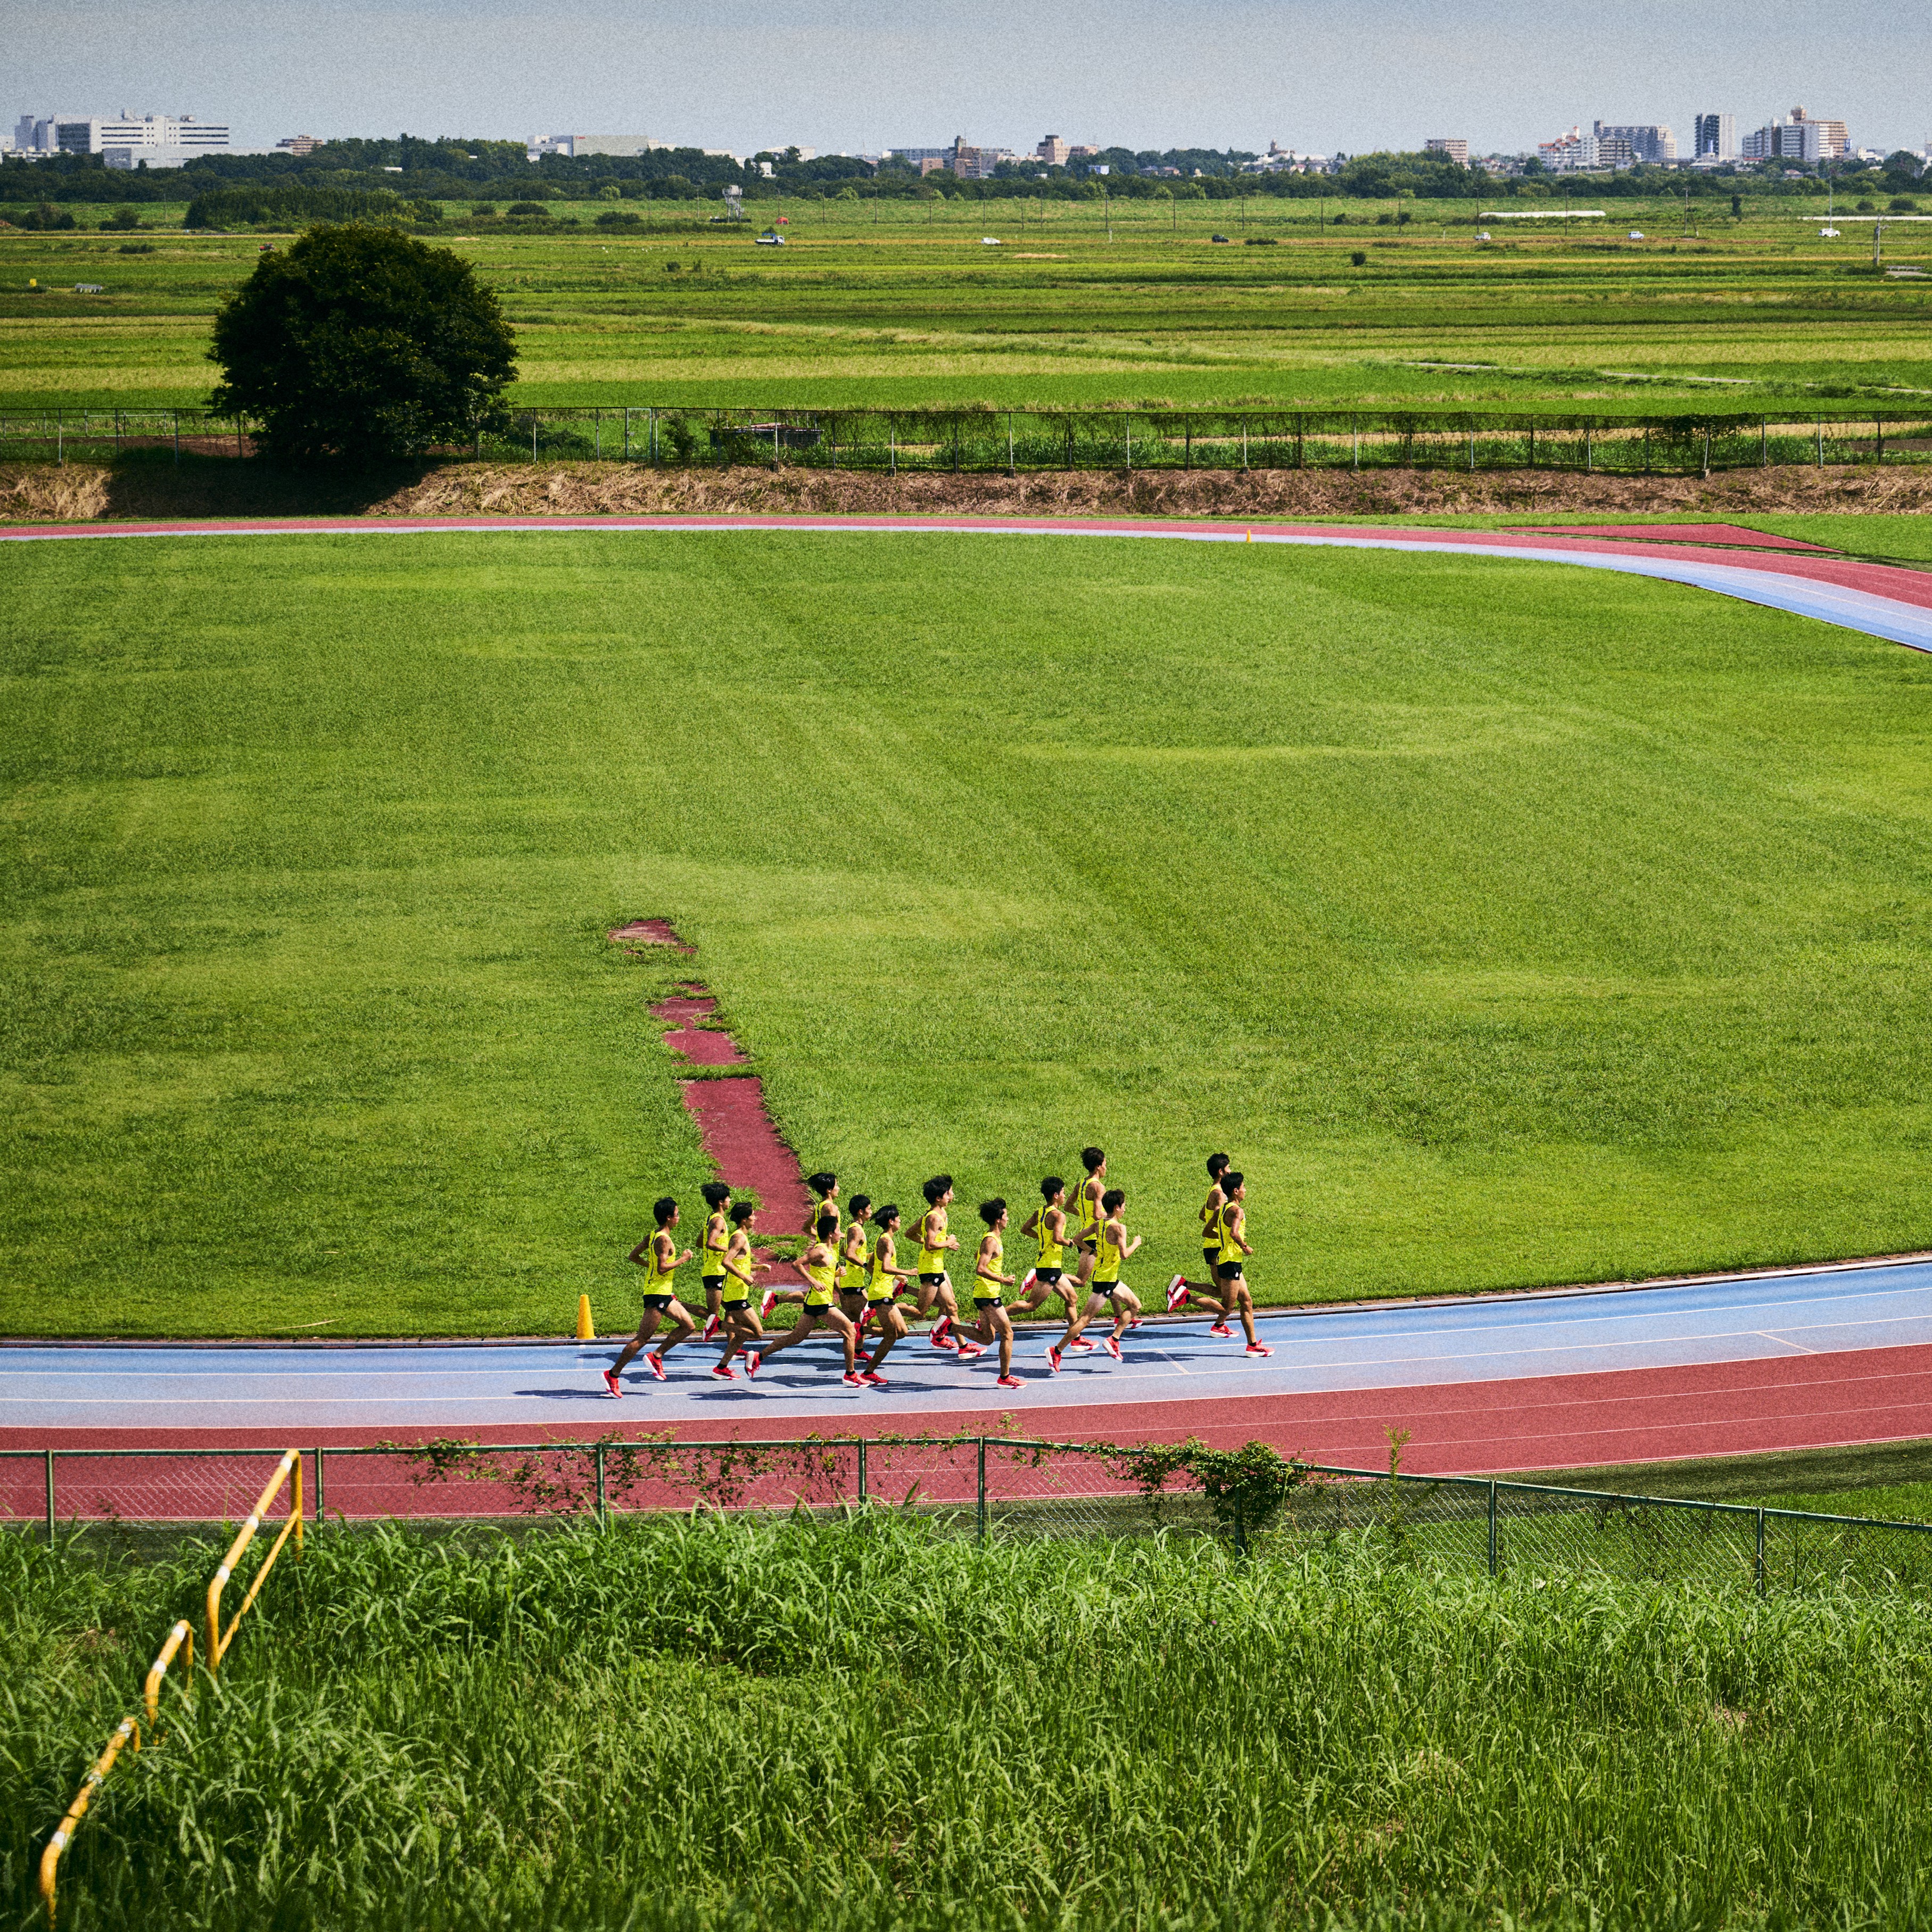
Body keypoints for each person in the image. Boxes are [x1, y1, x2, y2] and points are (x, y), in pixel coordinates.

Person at [751, 1211, 865, 1383]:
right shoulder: (819, 1251)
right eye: (838, 1230)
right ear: (830, 1233)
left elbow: (824, 1272)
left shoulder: (831, 1251)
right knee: (850, 1331)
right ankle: (850, 1375)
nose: (841, 1234)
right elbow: (796, 1264)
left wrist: (837, 1273)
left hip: (815, 1301)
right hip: (821, 1302)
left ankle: (758, 1357)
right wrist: (812, 1281)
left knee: (796, 1337)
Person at [604, 1198, 698, 1394]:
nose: (679, 1218)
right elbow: (663, 1268)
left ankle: (657, 1356)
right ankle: (613, 1375)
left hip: (662, 1292)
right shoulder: (664, 1239)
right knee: (642, 1338)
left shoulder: (653, 1235)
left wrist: (652, 1269)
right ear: (669, 1218)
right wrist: (684, 1259)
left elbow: (634, 1256)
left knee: (689, 1326)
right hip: (657, 1294)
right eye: (677, 1214)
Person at [1047, 1187, 1141, 1370]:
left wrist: (1094, 1252)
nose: (1125, 1209)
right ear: (1116, 1207)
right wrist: (1135, 1244)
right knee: (1084, 1320)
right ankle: (1056, 1351)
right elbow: (1124, 1255)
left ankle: (1114, 1339)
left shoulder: (1100, 1224)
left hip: (1106, 1278)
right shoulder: (1120, 1228)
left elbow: (1078, 1239)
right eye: (1124, 1206)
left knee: (1135, 1306)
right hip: (1105, 1280)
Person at [1007, 1177, 1092, 1342]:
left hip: (1048, 1265)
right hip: (1049, 1266)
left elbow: (1025, 1229)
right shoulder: (1059, 1215)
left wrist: (1043, 1239)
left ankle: (1076, 1338)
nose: (1064, 1195)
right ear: (1055, 1195)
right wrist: (1070, 1243)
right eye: (1063, 1193)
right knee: (1032, 1305)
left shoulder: (1040, 1212)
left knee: (1072, 1299)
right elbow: (1058, 1238)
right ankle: (993, 1317)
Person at [913, 1175, 980, 1357]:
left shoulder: (938, 1214)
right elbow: (930, 1244)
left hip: (937, 1265)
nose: (951, 1196)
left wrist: (943, 1243)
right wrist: (948, 1242)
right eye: (948, 1193)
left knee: (951, 1306)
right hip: (930, 1267)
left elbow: (911, 1234)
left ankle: (960, 1345)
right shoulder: (934, 1218)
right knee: (921, 1312)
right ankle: (883, 1305)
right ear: (938, 1198)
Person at [764, 1171, 839, 1317]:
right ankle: (852, 1326)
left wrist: (819, 1236)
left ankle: (776, 1299)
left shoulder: (819, 1206)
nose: (839, 1188)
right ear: (829, 1190)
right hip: (827, 1253)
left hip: (825, 1250)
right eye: (837, 1185)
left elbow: (806, 1227)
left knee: (822, 1291)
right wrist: (838, 1238)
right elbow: (831, 1229)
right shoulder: (831, 1208)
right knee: (839, 1290)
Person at [856, 1202, 915, 1386]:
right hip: (882, 1294)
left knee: (902, 1332)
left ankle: (861, 1330)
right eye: (898, 1219)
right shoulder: (887, 1241)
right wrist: (906, 1272)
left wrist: (892, 1275)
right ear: (891, 1222)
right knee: (892, 1335)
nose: (901, 1221)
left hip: (881, 1291)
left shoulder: (882, 1239)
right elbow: (885, 1267)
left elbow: (874, 1266)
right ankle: (868, 1373)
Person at [1168, 1153, 1232, 1320]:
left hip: (1214, 1246)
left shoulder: (1214, 1190)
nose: (1231, 1171)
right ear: (1220, 1171)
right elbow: (1216, 1220)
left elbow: (1203, 1214)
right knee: (1227, 1298)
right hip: (1217, 1247)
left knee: (1221, 1292)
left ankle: (1184, 1285)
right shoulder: (1219, 1194)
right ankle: (1186, 1296)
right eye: (1228, 1168)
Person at [967, 1199, 1025, 1388]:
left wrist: (996, 1273)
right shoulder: (991, 1240)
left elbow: (985, 1263)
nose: (1008, 1219)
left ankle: (950, 1327)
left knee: (987, 1338)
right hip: (987, 1295)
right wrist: (1003, 1280)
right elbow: (980, 1268)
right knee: (1008, 1334)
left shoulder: (994, 1239)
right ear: (998, 1220)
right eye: (1006, 1215)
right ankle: (1005, 1377)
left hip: (986, 1292)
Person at [1215, 1172, 1272, 1357]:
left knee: (1247, 1302)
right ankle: (1187, 1296)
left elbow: (1212, 1230)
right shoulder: (1237, 1210)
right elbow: (1234, 1233)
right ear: (1236, 1190)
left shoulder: (1225, 1207)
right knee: (1227, 1308)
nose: (1246, 1191)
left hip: (1229, 1260)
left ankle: (1252, 1345)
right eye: (1244, 1187)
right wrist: (1245, 1246)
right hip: (1231, 1261)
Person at [713, 1200, 767, 1380]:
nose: (755, 1218)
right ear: (744, 1219)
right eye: (752, 1215)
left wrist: (758, 1268)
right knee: (757, 1332)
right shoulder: (739, 1237)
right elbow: (726, 1261)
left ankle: (721, 1367)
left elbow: (740, 1263)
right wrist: (744, 1277)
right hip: (734, 1293)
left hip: (737, 1291)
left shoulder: (741, 1236)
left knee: (742, 1333)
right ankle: (718, 1324)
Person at [698, 1180, 733, 1340]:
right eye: (728, 1198)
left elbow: (700, 1242)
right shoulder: (718, 1220)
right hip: (714, 1271)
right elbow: (709, 1243)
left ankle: (733, 1346)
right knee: (713, 1314)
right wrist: (730, 1250)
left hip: (719, 1270)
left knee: (732, 1310)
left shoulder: (712, 1219)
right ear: (721, 1202)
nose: (730, 1201)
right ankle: (674, 1304)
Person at [838, 1195, 873, 1328]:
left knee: (863, 1316)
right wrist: (866, 1265)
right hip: (852, 1281)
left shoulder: (853, 1228)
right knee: (862, 1320)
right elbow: (849, 1254)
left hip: (855, 1280)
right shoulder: (857, 1230)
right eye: (869, 1208)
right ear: (861, 1211)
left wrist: (869, 1256)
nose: (871, 1211)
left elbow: (843, 1251)